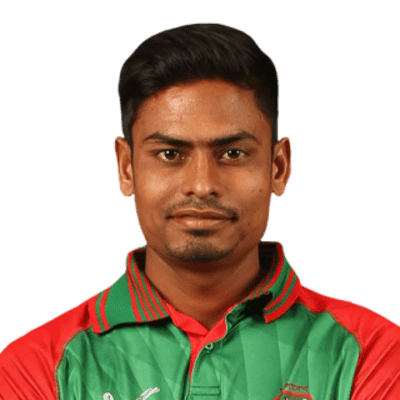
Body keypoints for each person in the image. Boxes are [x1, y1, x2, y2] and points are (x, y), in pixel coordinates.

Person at [0, 22, 399, 400]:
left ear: (278, 167)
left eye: (233, 153)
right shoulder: (35, 367)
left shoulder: (373, 353)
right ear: (126, 168)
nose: (203, 184)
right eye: (170, 154)